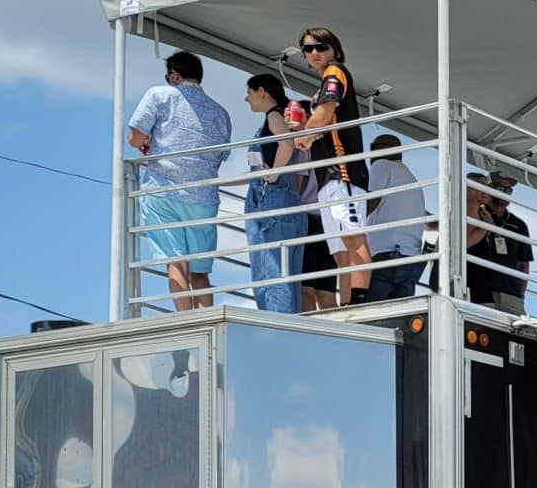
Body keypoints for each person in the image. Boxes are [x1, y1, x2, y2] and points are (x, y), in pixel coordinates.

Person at [127, 49, 234, 312]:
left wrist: (149, 144)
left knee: (176, 264)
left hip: (164, 190)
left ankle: (186, 323)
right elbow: (222, 155)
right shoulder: (220, 112)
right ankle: (207, 321)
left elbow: (135, 139)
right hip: (203, 196)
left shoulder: (159, 95)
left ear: (175, 76)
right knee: (200, 272)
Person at [293, 27, 370, 303]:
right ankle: (348, 302)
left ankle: (359, 301)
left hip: (342, 170)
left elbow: (325, 112)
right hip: (327, 174)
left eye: (321, 46)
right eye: (308, 48)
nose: (314, 52)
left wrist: (304, 135)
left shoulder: (334, 72)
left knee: (352, 236)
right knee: (338, 250)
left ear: (334, 49)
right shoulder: (325, 81)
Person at [240, 73, 308, 313]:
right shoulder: (284, 118)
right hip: (289, 202)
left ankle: (275, 336)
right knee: (288, 278)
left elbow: (286, 144)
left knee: (269, 276)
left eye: (249, 92)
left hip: (270, 202)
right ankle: (288, 333)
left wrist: (274, 173)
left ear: (262, 92)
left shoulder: (274, 116)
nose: (246, 98)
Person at [357, 135, 429, 300]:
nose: (373, 152)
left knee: (370, 316)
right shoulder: (411, 178)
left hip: (387, 255)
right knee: (397, 322)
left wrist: (351, 224)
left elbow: (372, 200)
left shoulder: (381, 166)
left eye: (375, 147)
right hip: (410, 260)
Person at [463, 172, 534, 310]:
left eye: (508, 190)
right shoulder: (475, 214)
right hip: (478, 292)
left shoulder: (519, 225)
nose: (504, 193)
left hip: (511, 296)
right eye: (500, 189)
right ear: (488, 190)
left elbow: (523, 265)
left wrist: (520, 295)